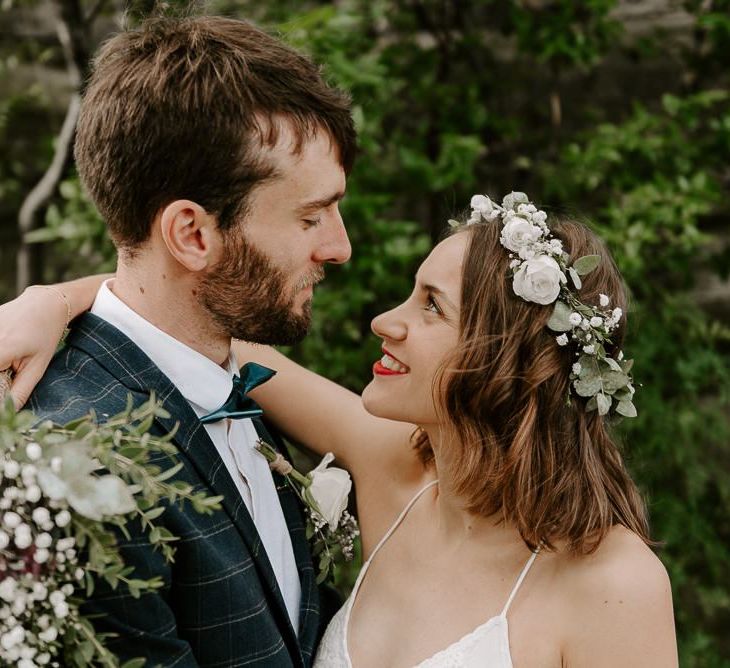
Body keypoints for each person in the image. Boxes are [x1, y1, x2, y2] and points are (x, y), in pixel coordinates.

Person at [2, 192, 678, 665]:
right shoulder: (392, 468)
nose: (387, 320)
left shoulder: (612, 583)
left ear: (504, 359)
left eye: (430, 307)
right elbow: (192, 325)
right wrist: (49, 303)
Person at [0, 14, 357, 667]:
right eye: (310, 217)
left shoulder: (216, 371)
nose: (340, 248)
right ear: (192, 235)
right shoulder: (81, 477)